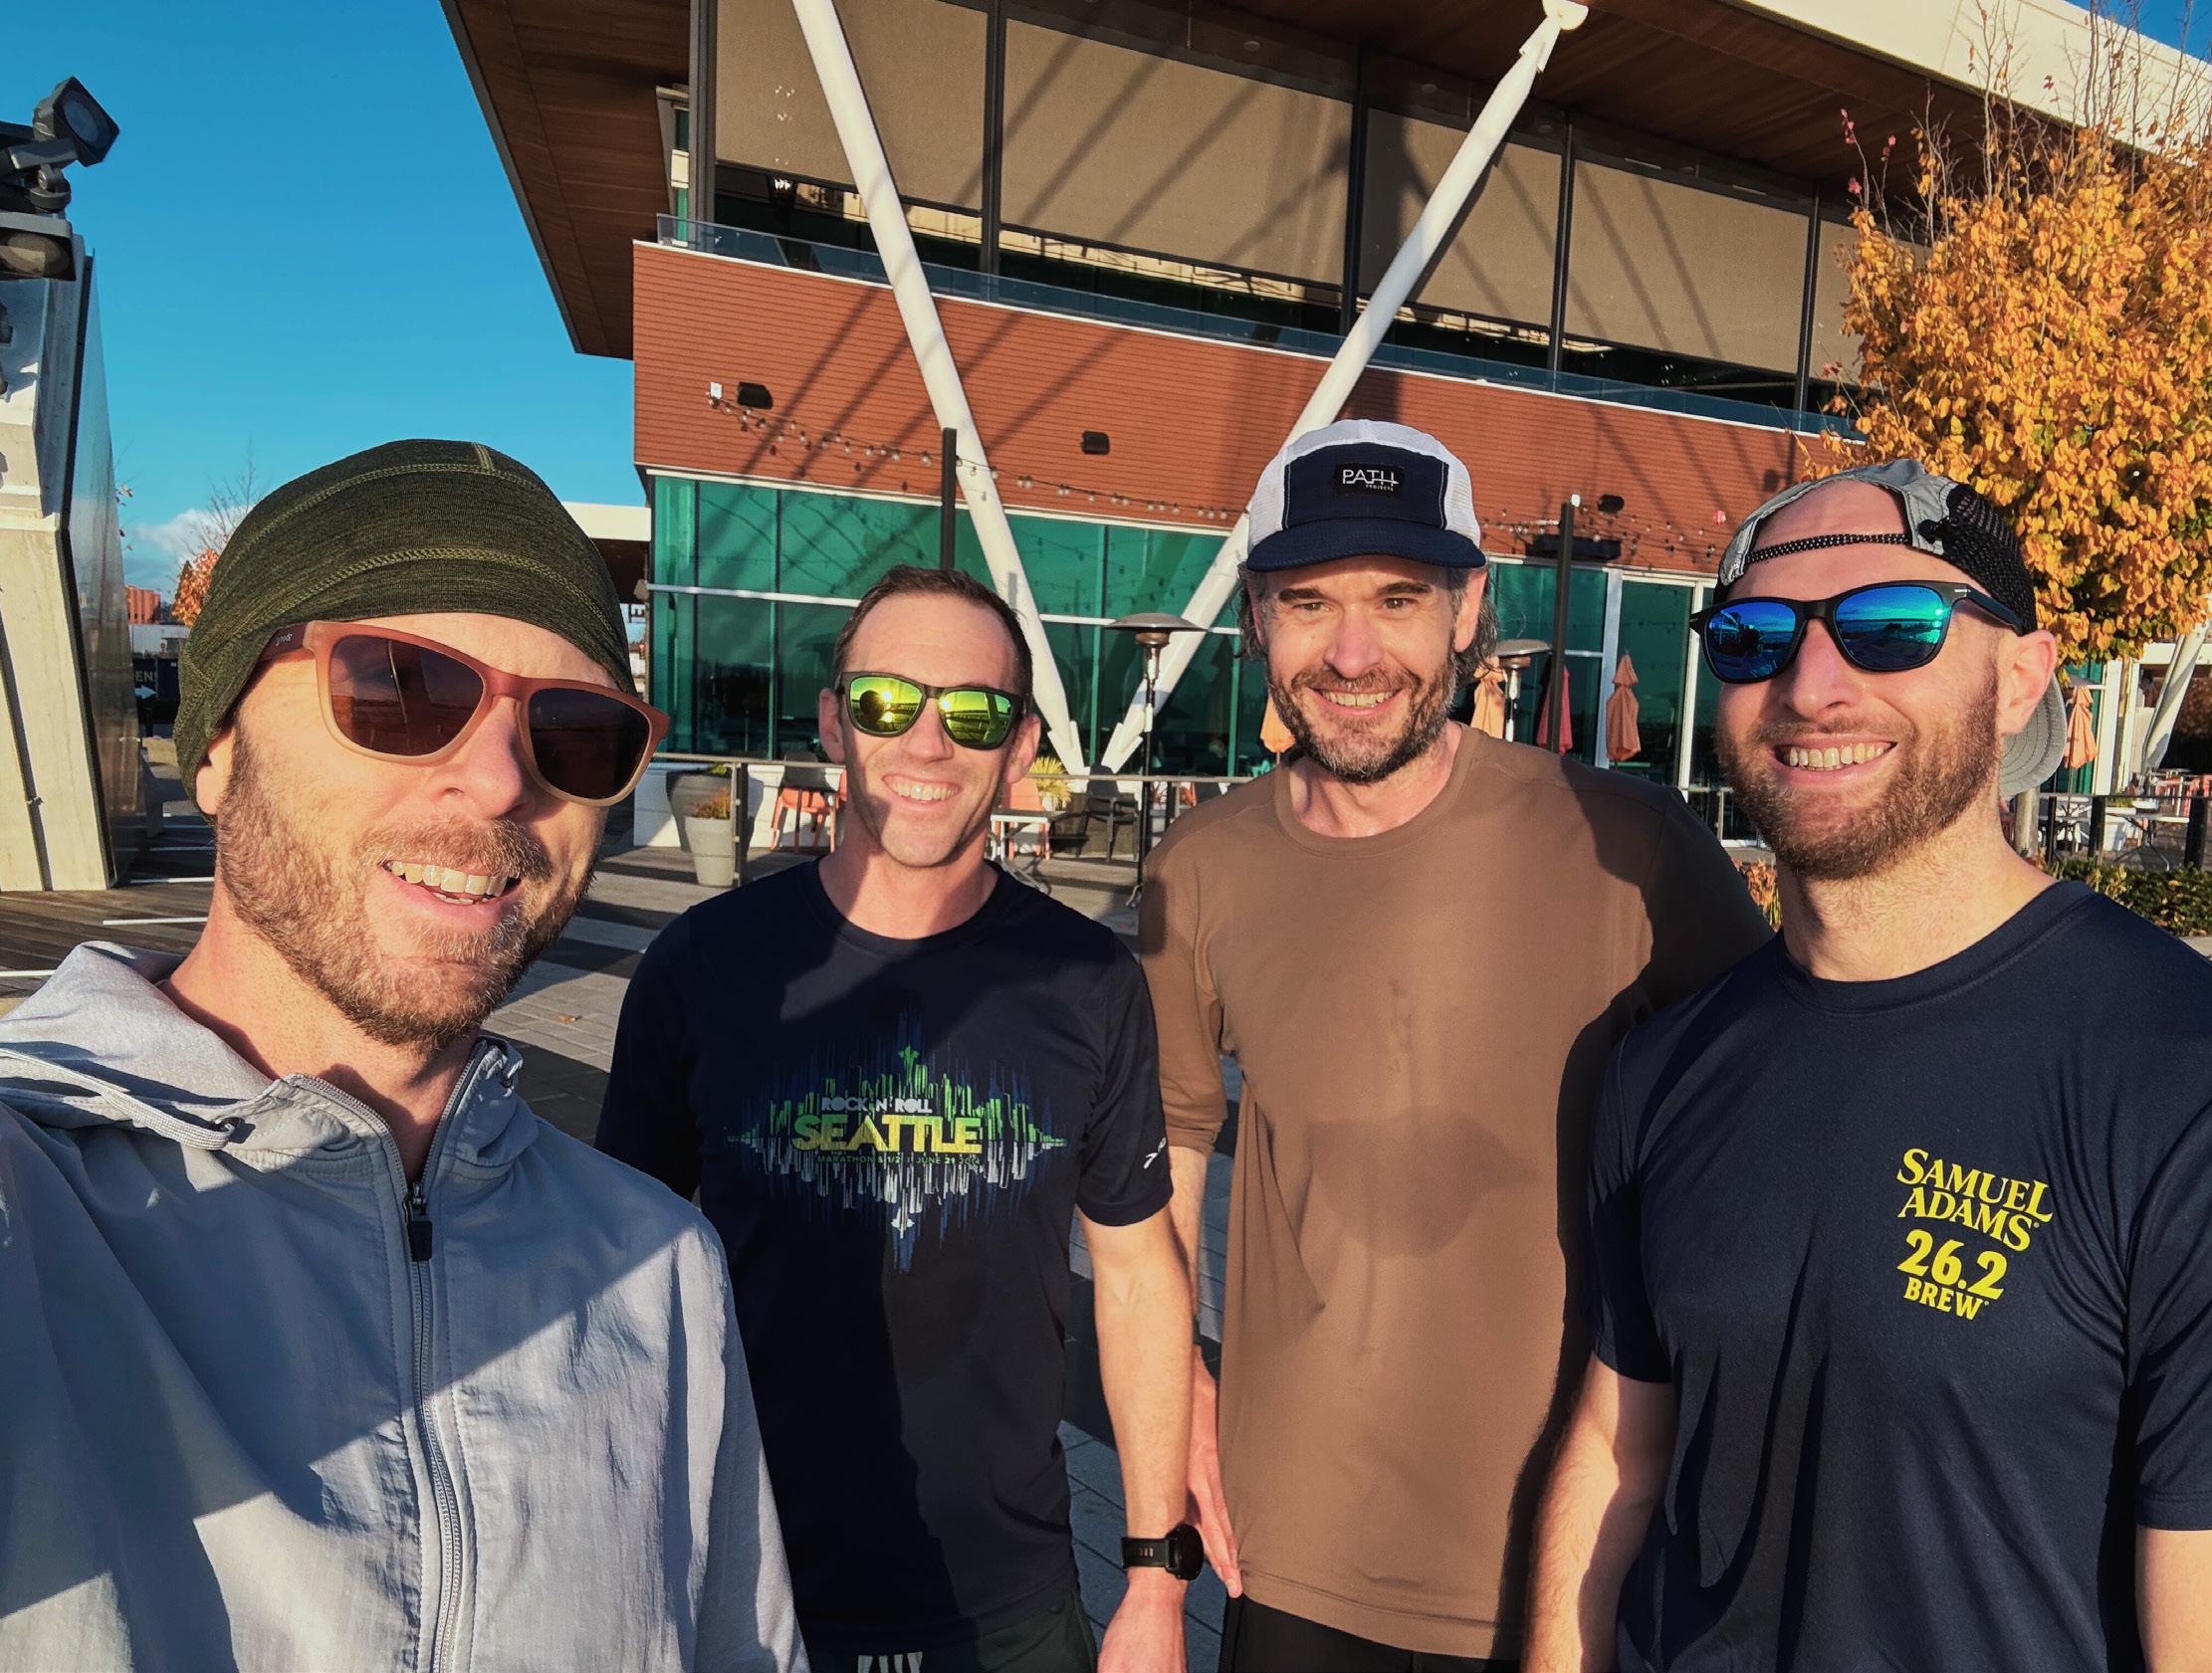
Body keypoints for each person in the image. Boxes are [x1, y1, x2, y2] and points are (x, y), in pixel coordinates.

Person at [0, 441, 802, 1670]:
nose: (499, 780)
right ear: (216, 745)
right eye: (400, 689)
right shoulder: (32, 1204)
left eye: (576, 733)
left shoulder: (659, 1271)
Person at [1526, 460, 2212, 1673]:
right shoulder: (1663, 1064)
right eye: (1751, 638)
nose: (1808, 685)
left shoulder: (2173, 1070)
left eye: (1890, 627)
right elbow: (1616, 1447)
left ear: (2019, 678)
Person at [1139, 419, 1772, 1671]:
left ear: (1467, 608)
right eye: (1307, 602)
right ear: (1256, 615)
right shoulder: (1199, 867)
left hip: (1577, 1553)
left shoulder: (1628, 847)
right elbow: (1160, 1169)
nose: (1352, 653)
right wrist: (1181, 1398)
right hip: (1296, 1550)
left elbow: (1781, 1117)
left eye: (1398, 599)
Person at [599, 564, 1197, 1673]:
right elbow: (610, 1279)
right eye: (886, 702)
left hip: (1009, 1607)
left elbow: (1136, 1273)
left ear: (1019, 749)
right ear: (834, 721)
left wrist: (1158, 1577)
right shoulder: (704, 968)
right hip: (744, 1591)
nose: (927, 742)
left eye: (972, 712)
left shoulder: (1088, 980)